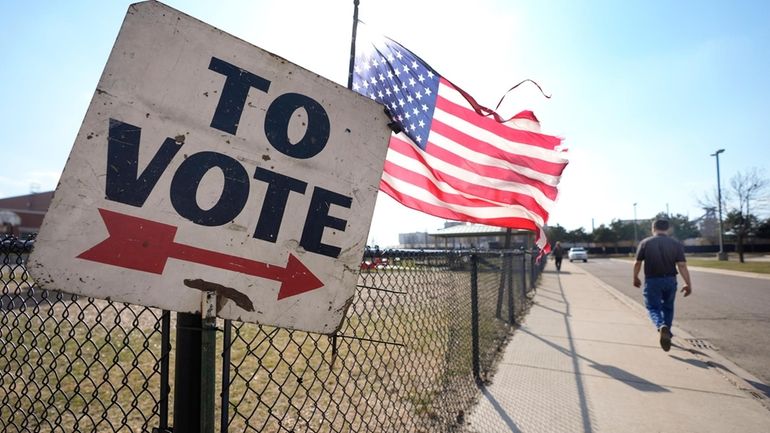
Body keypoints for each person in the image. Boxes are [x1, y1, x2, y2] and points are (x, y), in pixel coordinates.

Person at [633, 219, 692, 352]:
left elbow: (637, 263)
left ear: (653, 228)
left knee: (653, 307)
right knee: (668, 307)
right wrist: (688, 283)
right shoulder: (675, 244)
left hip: (652, 280)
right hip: (671, 280)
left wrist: (635, 277)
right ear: (667, 229)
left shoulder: (645, 243)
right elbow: (682, 265)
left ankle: (661, 326)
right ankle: (667, 333)